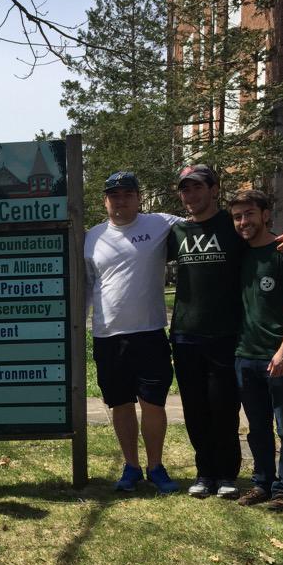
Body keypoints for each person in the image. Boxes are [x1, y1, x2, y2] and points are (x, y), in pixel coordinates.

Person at [167, 164, 283, 499]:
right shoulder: (176, 232)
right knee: (195, 411)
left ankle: (227, 474)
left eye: (198, 187)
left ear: (213, 190)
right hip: (185, 335)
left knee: (224, 409)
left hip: (227, 336)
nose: (191, 195)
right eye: (185, 189)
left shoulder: (233, 226)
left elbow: (266, 241)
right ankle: (204, 473)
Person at [84, 171, 181, 493]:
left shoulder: (160, 224)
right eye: (114, 195)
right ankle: (131, 467)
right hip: (107, 336)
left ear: (139, 198)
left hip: (150, 332)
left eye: (127, 194)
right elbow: (86, 286)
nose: (120, 200)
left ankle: (156, 466)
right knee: (120, 404)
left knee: (153, 403)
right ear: (105, 200)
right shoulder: (92, 237)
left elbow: (207, 225)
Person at [230, 190, 283, 511]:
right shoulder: (240, 253)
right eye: (237, 216)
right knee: (257, 427)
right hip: (245, 355)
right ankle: (262, 483)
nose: (243, 222)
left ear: (265, 214)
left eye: (249, 214)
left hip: (280, 356)